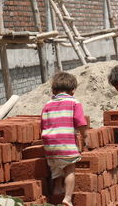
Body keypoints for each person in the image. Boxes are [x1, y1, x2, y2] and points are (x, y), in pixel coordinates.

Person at [41, 72, 88, 206]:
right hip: (65, 143)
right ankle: (67, 198)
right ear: (73, 90)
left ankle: (57, 190)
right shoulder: (74, 102)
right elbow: (81, 123)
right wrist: (85, 137)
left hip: (49, 144)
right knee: (69, 169)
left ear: (54, 90)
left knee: (56, 170)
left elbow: (42, 124)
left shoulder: (47, 104)